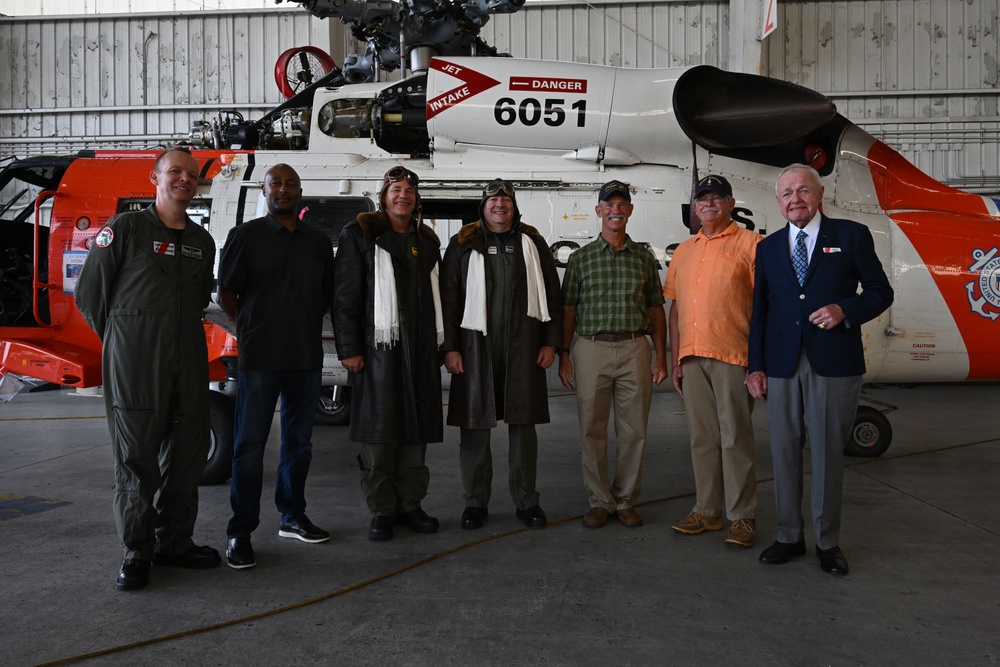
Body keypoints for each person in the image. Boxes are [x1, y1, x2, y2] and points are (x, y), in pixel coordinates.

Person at [75, 146, 220, 591]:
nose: (184, 179)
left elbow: (196, 302)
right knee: (136, 457)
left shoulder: (202, 241)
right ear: (155, 178)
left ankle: (174, 542)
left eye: (191, 174)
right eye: (175, 171)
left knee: (187, 452)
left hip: (189, 358)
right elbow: (90, 296)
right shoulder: (127, 229)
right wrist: (126, 339)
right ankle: (137, 551)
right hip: (137, 360)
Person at [747, 163, 893, 576]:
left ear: (819, 194)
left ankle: (828, 542)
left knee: (829, 453)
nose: (795, 199)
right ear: (778, 202)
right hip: (780, 364)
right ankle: (789, 536)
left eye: (803, 190)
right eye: (787, 193)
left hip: (833, 363)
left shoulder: (850, 236)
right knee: (783, 452)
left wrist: (844, 309)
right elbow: (760, 312)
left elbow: (882, 291)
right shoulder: (768, 247)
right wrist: (756, 366)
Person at [217, 163, 335, 570]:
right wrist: (249, 329)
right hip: (260, 359)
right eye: (276, 184)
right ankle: (240, 532)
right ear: (264, 191)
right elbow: (226, 293)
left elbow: (324, 296)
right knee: (249, 447)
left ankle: (292, 516)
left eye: (291, 184)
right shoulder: (245, 237)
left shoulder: (317, 243)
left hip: (304, 358)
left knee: (298, 444)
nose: (283, 190)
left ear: (300, 190)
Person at [440, 179, 563, 530]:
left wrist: (549, 342)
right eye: (493, 199)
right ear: (482, 206)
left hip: (524, 348)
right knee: (474, 427)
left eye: (505, 199)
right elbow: (449, 299)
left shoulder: (533, 242)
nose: (499, 205)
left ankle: (527, 501)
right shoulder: (463, 243)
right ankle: (475, 502)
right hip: (474, 349)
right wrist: (449, 347)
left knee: (524, 428)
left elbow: (551, 295)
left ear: (514, 206)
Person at [333, 166, 444, 541]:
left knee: (416, 434)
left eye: (409, 191)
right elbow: (345, 298)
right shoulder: (360, 235)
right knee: (379, 437)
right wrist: (348, 349)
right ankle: (381, 509)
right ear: (383, 196)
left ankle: (409, 505)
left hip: (421, 350)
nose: (403, 196)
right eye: (395, 189)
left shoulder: (426, 241)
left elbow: (437, 297)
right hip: (378, 351)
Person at [559, 180, 668, 529]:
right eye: (609, 205)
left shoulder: (644, 259)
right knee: (592, 429)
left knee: (634, 429)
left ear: (631, 211)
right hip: (591, 349)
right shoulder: (580, 259)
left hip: (636, 347)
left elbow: (655, 310)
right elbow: (569, 311)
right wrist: (564, 354)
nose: (616, 210)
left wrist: (661, 356)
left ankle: (625, 500)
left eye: (622, 204)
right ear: (599, 211)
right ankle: (600, 501)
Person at [663, 175, 762, 548]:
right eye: (701, 199)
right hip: (691, 356)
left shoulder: (752, 245)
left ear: (730, 203)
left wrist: (759, 361)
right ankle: (707, 511)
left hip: (734, 355)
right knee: (702, 438)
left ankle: (743, 517)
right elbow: (674, 309)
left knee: (735, 437)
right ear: (695, 207)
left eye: (716, 198)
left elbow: (765, 308)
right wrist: (676, 358)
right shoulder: (685, 250)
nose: (708, 204)